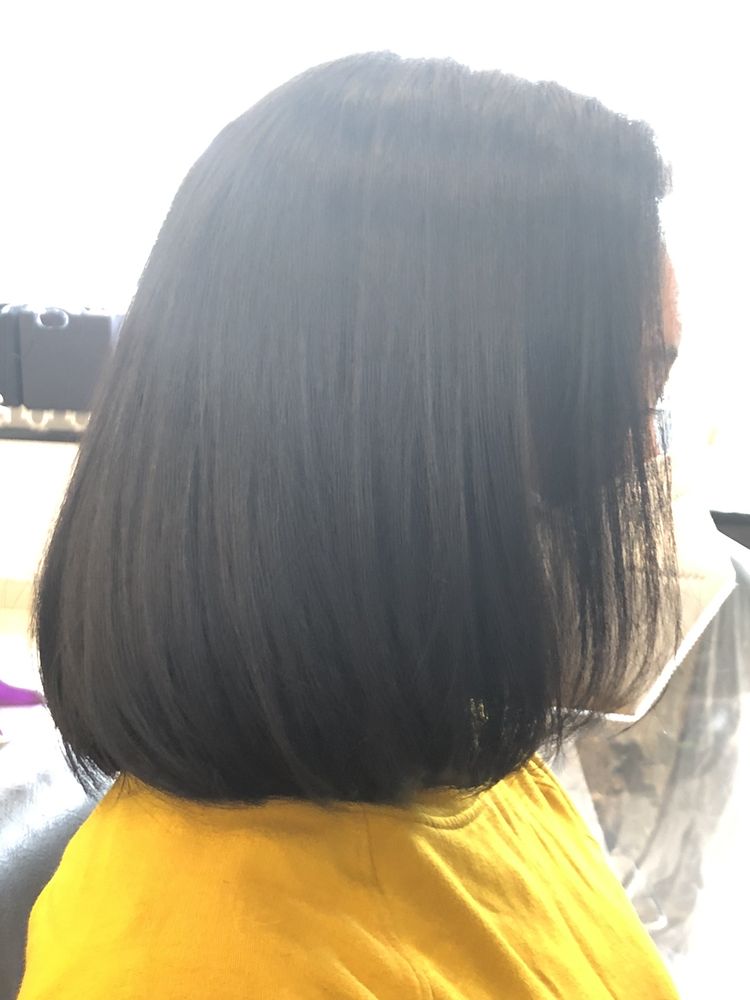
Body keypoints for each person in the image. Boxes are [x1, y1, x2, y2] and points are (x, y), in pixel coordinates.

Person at [18, 52, 682, 998]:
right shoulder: (194, 969)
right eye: (622, 395)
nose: (642, 457)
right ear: (401, 434)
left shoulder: (464, 757)